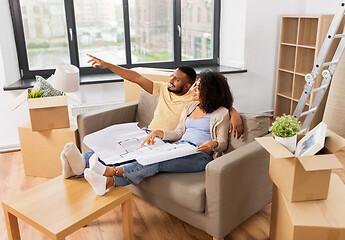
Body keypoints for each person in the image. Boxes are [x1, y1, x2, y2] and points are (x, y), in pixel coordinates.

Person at [62, 71, 233, 195]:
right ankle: (106, 182)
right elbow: (179, 132)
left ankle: (110, 172)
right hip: (180, 147)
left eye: (198, 88)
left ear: (209, 91)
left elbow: (223, 142)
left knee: (156, 162)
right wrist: (161, 133)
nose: (194, 89)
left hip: (200, 156)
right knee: (145, 153)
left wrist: (214, 144)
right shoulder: (189, 107)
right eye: (195, 86)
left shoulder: (221, 113)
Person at [86, 54, 243, 137]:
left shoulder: (194, 98)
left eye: (176, 79)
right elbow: (136, 77)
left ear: (188, 86)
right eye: (172, 76)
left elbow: (217, 100)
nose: (171, 80)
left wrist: (234, 113)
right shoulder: (162, 89)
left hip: (165, 139)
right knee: (115, 139)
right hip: (147, 132)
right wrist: (107, 65)